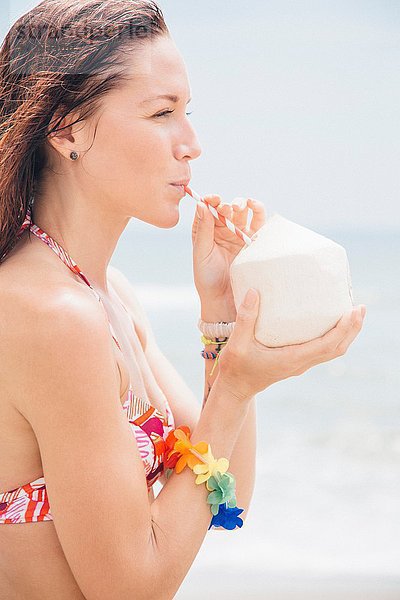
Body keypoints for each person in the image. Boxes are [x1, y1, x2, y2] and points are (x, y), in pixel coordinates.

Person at [0, 1, 366, 598]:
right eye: (162, 113)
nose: (191, 144)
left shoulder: (105, 292)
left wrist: (221, 312)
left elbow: (226, 495)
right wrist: (240, 386)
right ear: (67, 129)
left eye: (187, 112)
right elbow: (132, 588)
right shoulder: (52, 316)